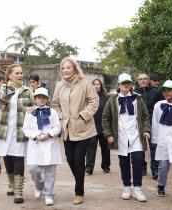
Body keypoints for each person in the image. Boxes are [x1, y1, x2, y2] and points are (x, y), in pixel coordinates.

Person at [51, 57, 99, 205]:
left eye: (68, 67)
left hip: (83, 128)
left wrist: (83, 115)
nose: (65, 70)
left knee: (78, 159)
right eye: (63, 68)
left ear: (75, 69)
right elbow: (55, 104)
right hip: (67, 129)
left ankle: (79, 192)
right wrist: (61, 117)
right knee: (70, 159)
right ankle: (80, 181)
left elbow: (94, 100)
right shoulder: (59, 85)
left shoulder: (84, 83)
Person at [102, 73, 150, 202]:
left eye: (128, 83)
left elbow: (145, 116)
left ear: (131, 84)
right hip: (120, 136)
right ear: (118, 85)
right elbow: (105, 118)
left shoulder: (138, 99)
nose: (126, 85)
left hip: (136, 136)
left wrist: (146, 130)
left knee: (138, 161)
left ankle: (137, 188)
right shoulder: (112, 100)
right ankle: (127, 187)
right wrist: (108, 134)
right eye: (124, 83)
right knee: (123, 163)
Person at [0, 64, 34, 204]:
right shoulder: (2, 88)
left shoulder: (27, 90)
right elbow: (2, 99)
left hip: (19, 130)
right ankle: (11, 183)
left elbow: (33, 105)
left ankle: (18, 189)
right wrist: (11, 87)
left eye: (21, 73)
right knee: (7, 157)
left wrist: (32, 109)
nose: (20, 75)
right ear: (9, 75)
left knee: (18, 158)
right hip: (4, 129)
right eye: (17, 73)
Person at [23, 87, 62, 206]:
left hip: (49, 144)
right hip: (35, 145)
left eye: (44, 97)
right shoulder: (30, 113)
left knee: (50, 172)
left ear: (47, 99)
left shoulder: (53, 112)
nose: (41, 99)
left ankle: (48, 194)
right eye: (39, 97)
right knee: (33, 169)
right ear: (35, 98)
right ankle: (39, 186)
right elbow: (26, 129)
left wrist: (48, 134)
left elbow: (57, 127)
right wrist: (35, 135)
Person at [134, 73, 161, 179]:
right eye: (141, 79)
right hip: (138, 124)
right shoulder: (133, 93)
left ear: (149, 80)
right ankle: (142, 167)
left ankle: (155, 170)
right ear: (137, 81)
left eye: (145, 79)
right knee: (140, 147)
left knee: (154, 147)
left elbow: (161, 107)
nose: (143, 81)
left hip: (153, 122)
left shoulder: (156, 92)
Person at [85, 79, 110, 175]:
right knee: (90, 148)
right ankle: (89, 168)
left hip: (104, 126)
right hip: (92, 126)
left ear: (101, 85)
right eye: (94, 84)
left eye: (98, 84)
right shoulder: (87, 98)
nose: (96, 86)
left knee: (105, 148)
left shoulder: (107, 97)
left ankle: (106, 166)